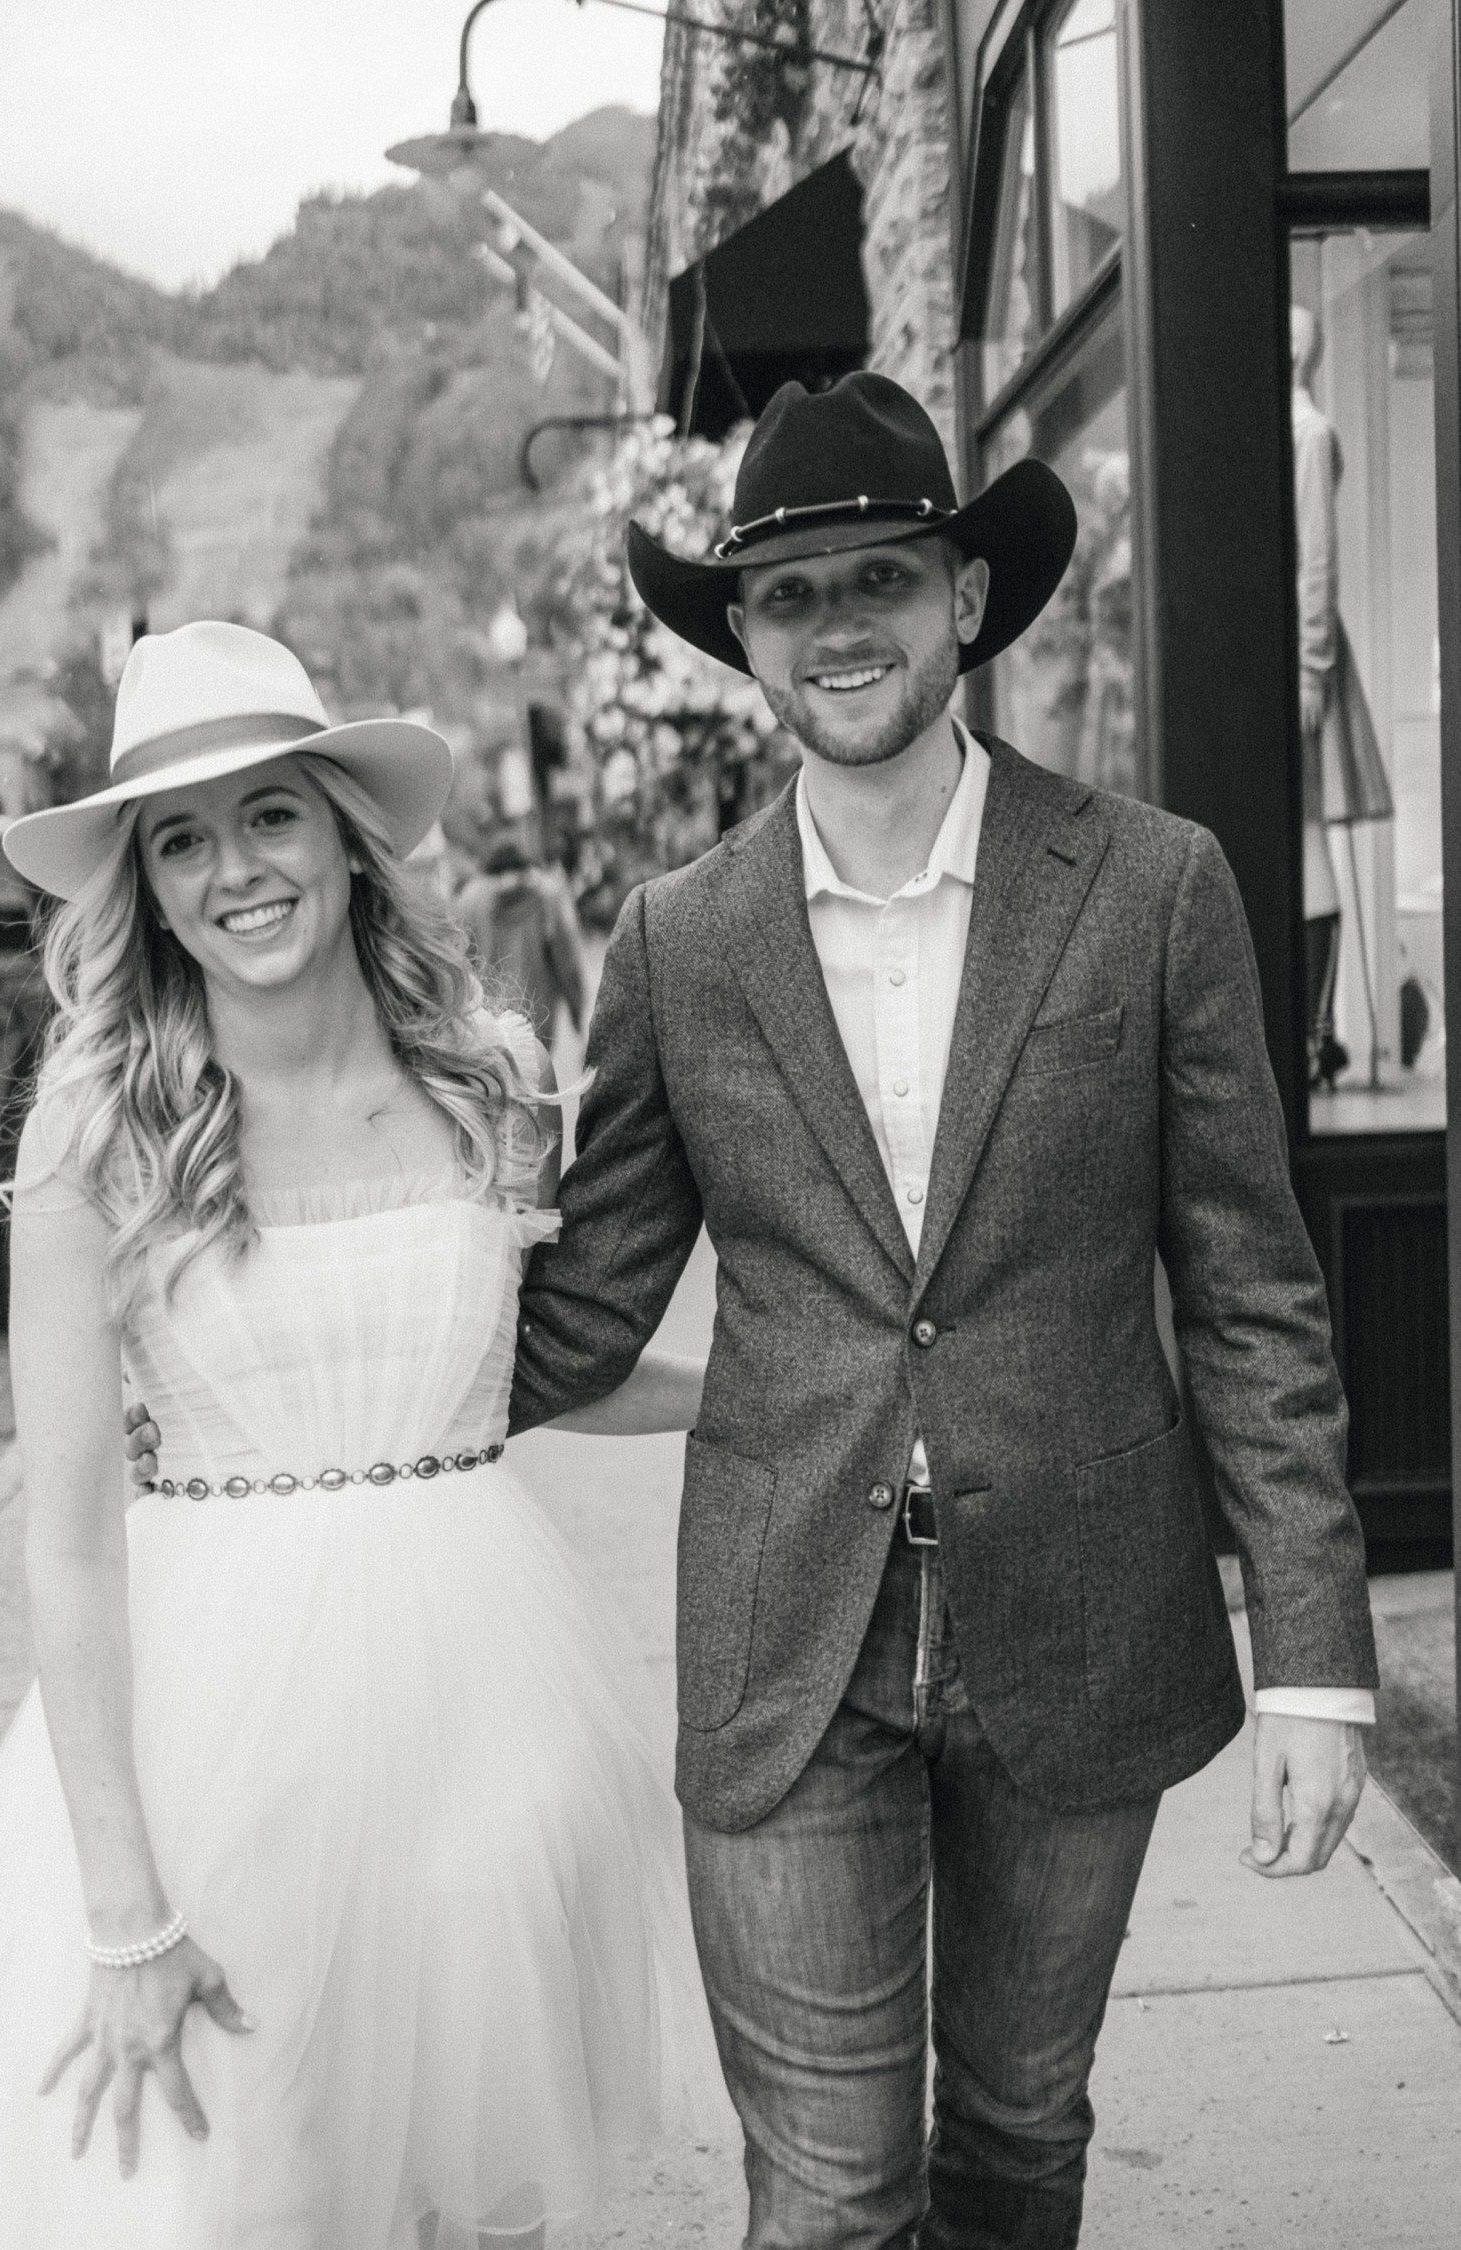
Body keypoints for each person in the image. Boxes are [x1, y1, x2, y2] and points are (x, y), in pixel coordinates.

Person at [500, 373, 1378, 2247]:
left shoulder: (1152, 889)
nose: (843, 629)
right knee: (825, 2199)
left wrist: (1313, 1651)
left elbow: (1250, 1292)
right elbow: (582, 1306)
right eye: (794, 595)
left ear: (967, 600)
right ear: (742, 635)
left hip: (1082, 1612)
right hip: (785, 1637)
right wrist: (308, 1347)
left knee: (1015, 2139)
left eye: (882, 577)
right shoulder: (679, 940)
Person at [0, 620, 718, 2247]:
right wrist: (122, 1909)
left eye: (272, 815)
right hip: (226, 1756)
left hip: (491, 1722)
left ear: (345, 836)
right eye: (182, 837)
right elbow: (70, 1540)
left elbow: (521, 1373)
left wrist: (769, 1391)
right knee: (260, 2188)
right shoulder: (97, 1135)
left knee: (476, 2184)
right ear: (145, 886)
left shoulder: (486, 1076)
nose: (236, 869)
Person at [1290, 303, 1393, 1091]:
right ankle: (1307, 1035)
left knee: (1310, 839)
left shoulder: (1308, 432)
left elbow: (1317, 561)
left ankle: (1314, 1035)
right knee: (1301, 838)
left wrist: (1310, 668)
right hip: (1289, 650)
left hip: (1300, 655)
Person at [455, 832, 588, 1055]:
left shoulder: (469, 899)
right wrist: (578, 1015)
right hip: (537, 1025)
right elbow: (568, 961)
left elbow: (457, 964)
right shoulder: (548, 895)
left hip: (485, 1027)